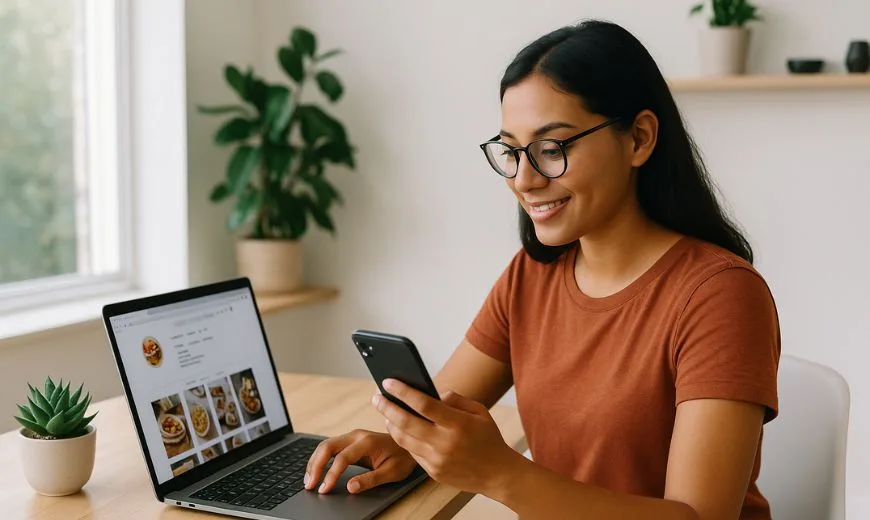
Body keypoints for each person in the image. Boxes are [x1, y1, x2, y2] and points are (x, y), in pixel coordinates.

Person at [305, 20, 780, 520]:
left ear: (639, 138)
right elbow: (445, 411)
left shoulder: (719, 295)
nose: (525, 180)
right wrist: (403, 445)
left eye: (552, 149)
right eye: (510, 151)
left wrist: (500, 473)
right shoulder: (531, 276)